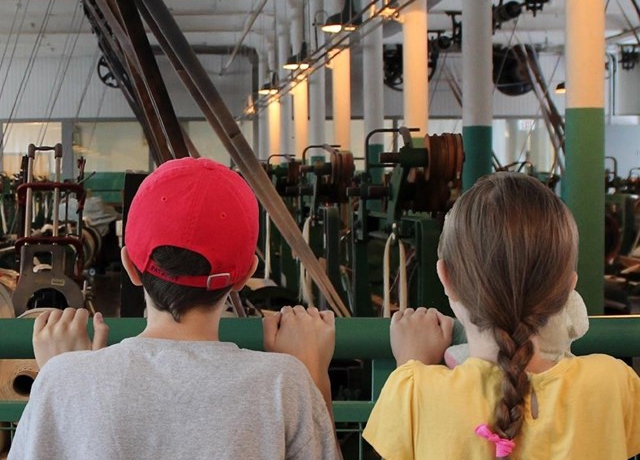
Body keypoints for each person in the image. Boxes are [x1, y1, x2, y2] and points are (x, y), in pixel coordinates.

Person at [9, 157, 341, 460]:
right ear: (244, 275)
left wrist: (66, 377)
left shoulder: (65, 380)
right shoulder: (285, 383)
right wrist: (314, 377)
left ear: (130, 266)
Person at [363, 172, 640, 459]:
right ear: (569, 287)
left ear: (445, 277)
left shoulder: (414, 391)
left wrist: (409, 363)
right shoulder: (615, 383)